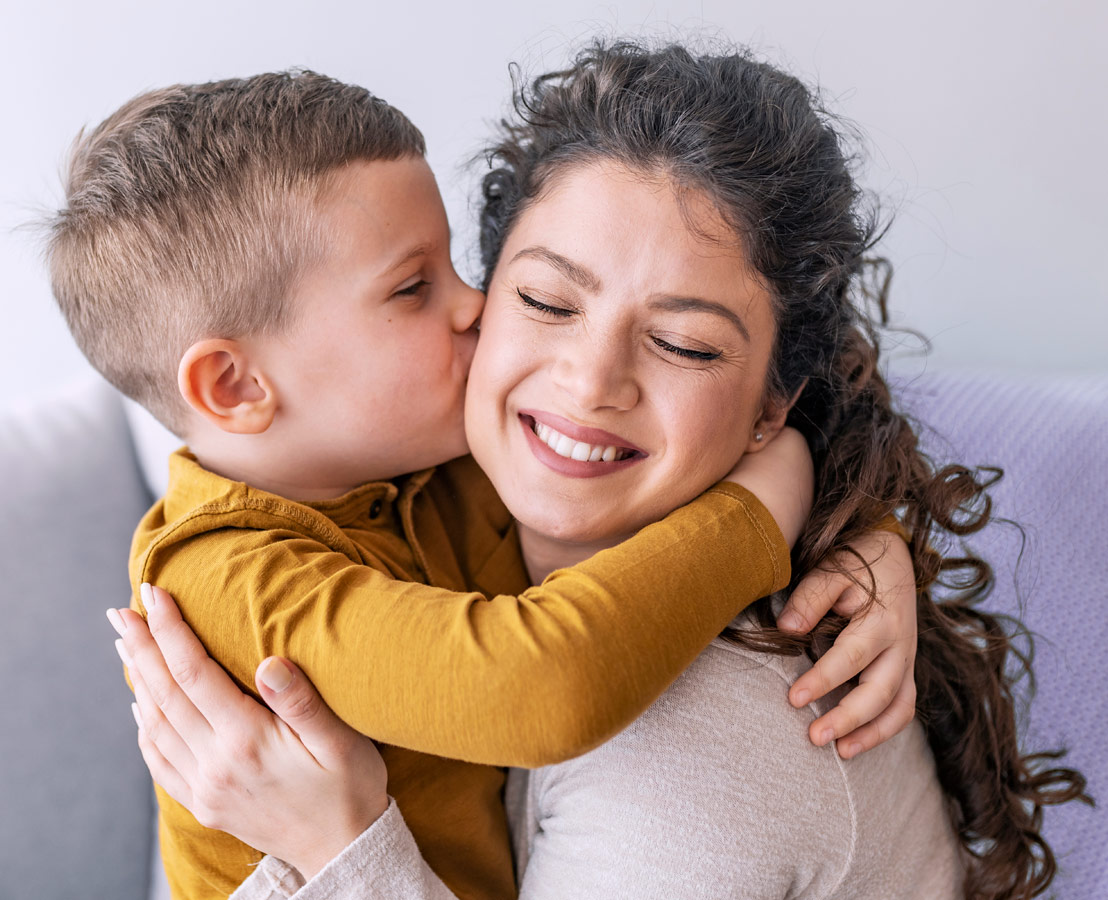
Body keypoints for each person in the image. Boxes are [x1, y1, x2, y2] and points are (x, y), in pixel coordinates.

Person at [115, 42, 1090, 900]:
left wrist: (331, 846)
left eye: (683, 344)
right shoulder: (383, 492)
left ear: (771, 405)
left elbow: (546, 684)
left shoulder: (700, 743)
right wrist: (812, 491)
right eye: (543, 299)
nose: (588, 383)